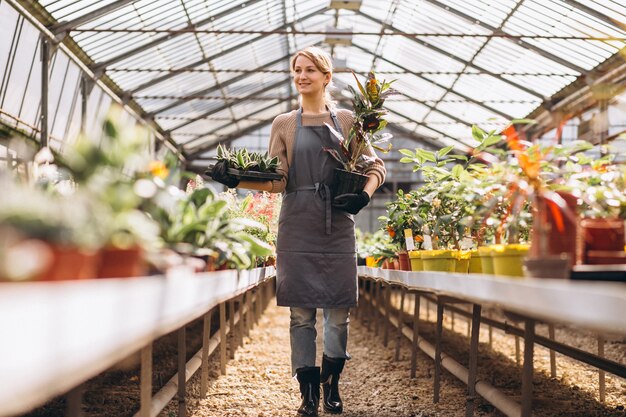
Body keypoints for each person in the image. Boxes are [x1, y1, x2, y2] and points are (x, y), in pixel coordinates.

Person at [210, 46, 385, 416]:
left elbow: (375, 167)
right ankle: (308, 393)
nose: (302, 76)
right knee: (301, 315)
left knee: (338, 313)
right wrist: (237, 180)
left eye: (310, 70)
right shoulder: (283, 124)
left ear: (326, 76)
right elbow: (277, 182)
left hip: (338, 222)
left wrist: (363, 198)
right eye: (297, 70)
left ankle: (332, 385)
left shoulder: (350, 121)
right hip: (298, 224)